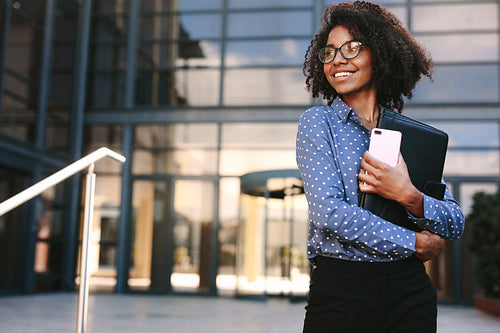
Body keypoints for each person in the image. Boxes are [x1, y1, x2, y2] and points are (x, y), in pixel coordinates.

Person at [296, 2, 465, 332]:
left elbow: (455, 220)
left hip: (410, 291)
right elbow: (329, 213)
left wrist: (410, 196)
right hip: (342, 291)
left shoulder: (411, 137)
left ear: (381, 53)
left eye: (352, 48)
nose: (338, 60)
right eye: (328, 52)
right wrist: (415, 242)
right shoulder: (318, 123)